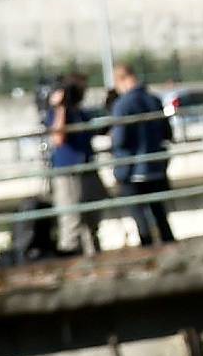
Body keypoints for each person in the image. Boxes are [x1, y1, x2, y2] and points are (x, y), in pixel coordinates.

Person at [108, 63, 174, 246]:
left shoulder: (122, 105)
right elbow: (167, 133)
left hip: (131, 169)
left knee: (139, 216)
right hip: (155, 166)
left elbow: (120, 139)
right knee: (160, 213)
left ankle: (148, 247)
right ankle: (169, 246)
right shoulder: (154, 100)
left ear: (121, 80)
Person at [46, 69, 106, 255]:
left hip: (87, 170)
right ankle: (70, 262)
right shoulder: (57, 113)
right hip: (68, 173)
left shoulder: (82, 113)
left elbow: (100, 129)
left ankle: (94, 260)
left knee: (92, 223)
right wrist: (61, 106)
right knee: (71, 224)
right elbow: (58, 138)